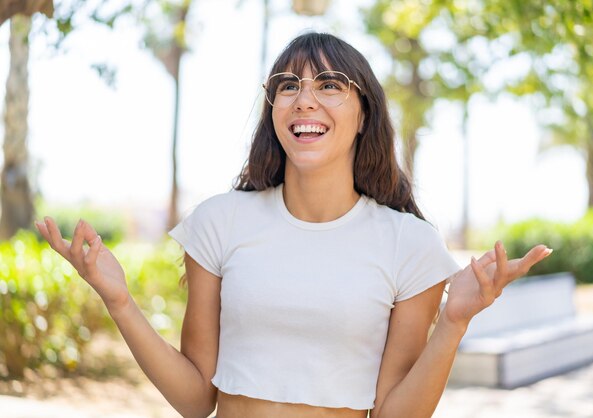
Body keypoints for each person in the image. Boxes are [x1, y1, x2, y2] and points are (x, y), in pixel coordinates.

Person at [35, 32, 552, 418]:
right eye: (288, 86)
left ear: (364, 113)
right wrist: (119, 301)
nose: (304, 98)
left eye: (329, 84)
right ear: (274, 108)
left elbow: (394, 414)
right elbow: (196, 400)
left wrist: (454, 323)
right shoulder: (220, 222)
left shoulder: (410, 244)